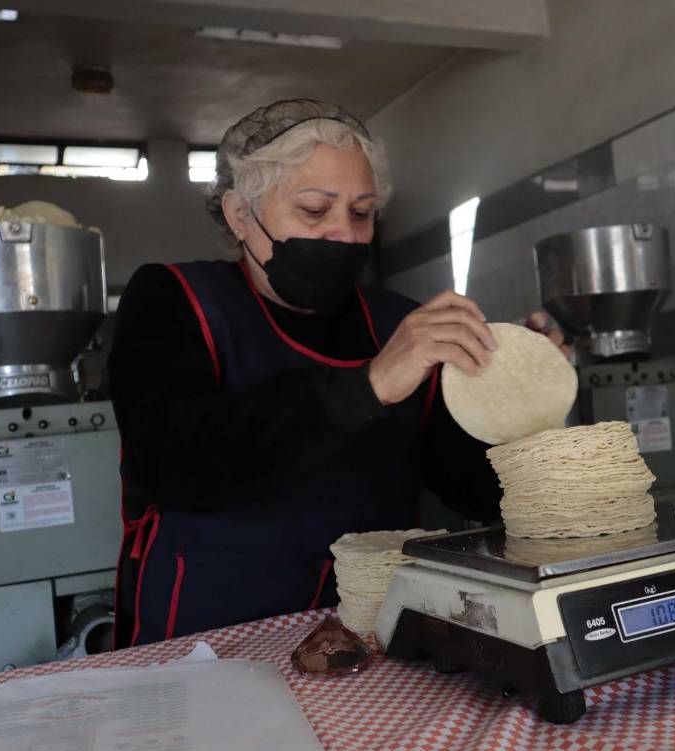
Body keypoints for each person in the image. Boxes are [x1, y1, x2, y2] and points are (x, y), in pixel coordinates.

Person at [108, 99, 564, 648]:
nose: (344, 234)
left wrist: (519, 400)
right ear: (240, 214)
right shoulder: (175, 299)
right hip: (209, 641)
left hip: (371, 636)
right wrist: (370, 387)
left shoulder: (397, 323)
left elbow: (472, 489)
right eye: (314, 210)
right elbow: (176, 462)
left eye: (361, 212)